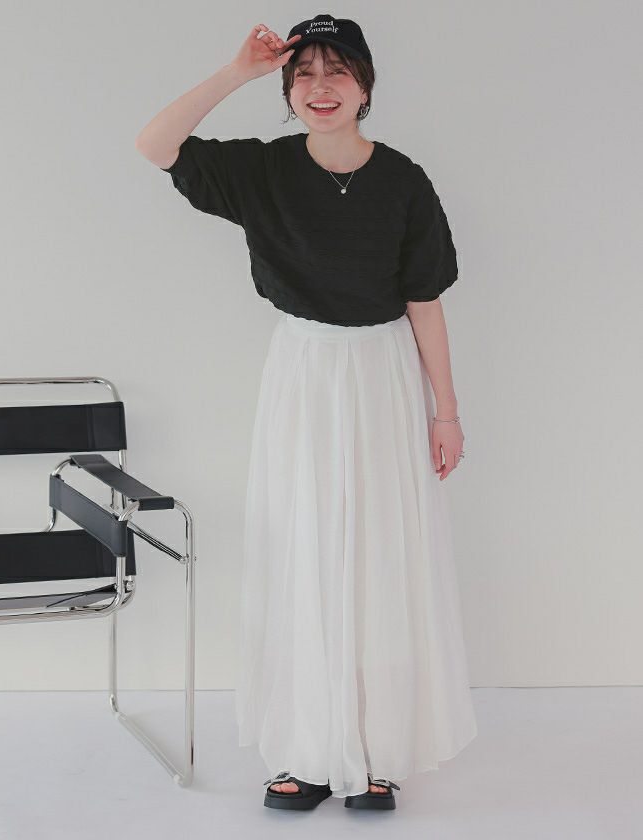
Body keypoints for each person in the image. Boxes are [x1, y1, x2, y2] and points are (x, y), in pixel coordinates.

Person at [135, 13, 477, 813]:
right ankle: (308, 749)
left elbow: (425, 302)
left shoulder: (404, 181)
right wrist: (237, 72)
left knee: (380, 553)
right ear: (288, 90)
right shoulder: (263, 171)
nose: (322, 88)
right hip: (304, 371)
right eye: (305, 74)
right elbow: (155, 145)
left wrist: (447, 412)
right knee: (305, 547)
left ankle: (378, 751)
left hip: (384, 374)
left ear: (365, 86)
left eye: (338, 71)